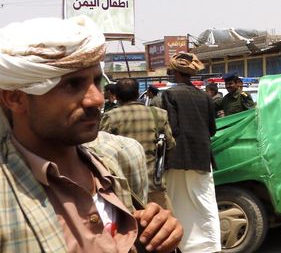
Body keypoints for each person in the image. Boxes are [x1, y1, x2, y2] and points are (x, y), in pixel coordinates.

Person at [0, 16, 182, 252]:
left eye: (97, 81)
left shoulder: (118, 157)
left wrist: (159, 235)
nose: (97, 99)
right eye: (72, 85)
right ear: (15, 98)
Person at [157, 52, 221, 252]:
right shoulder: (205, 97)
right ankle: (210, 246)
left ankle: (182, 244)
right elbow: (212, 129)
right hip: (202, 157)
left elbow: (172, 128)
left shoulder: (170, 95)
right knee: (205, 201)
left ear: (175, 73)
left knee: (176, 202)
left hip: (177, 157)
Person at [101, 78, 176, 209]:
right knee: (163, 225)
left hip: (123, 189)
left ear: (116, 96)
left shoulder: (111, 116)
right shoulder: (158, 114)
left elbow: (100, 151)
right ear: (138, 94)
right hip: (154, 184)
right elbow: (170, 145)